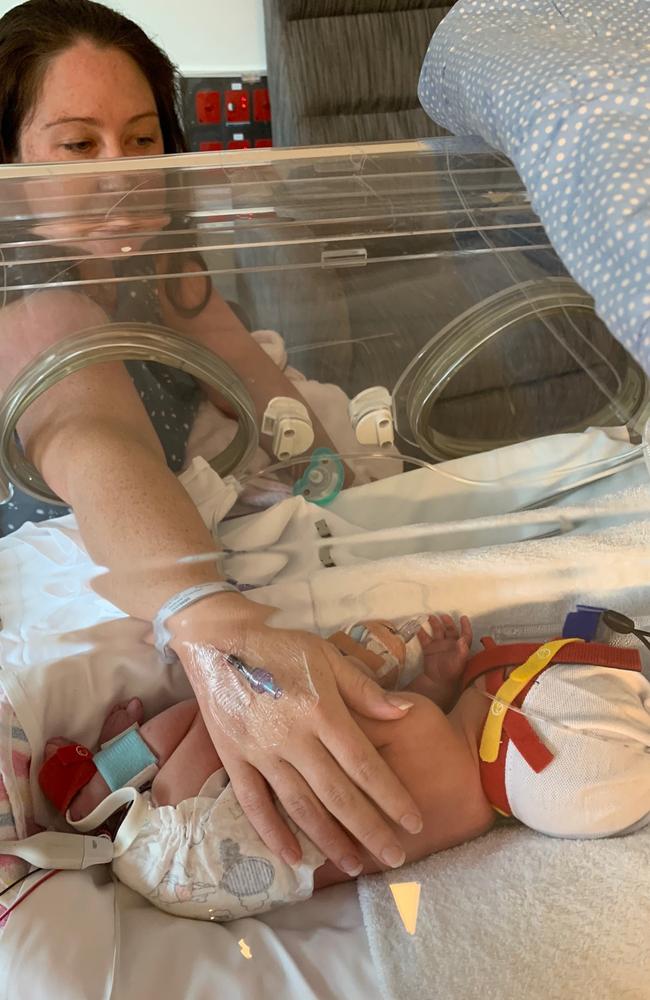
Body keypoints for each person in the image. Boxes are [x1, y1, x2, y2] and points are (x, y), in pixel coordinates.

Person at [0, 0, 425, 883]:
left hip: (175, 534)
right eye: (78, 145)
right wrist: (214, 625)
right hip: (95, 565)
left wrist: (335, 486)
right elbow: (95, 441)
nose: (123, 173)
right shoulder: (35, 311)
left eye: (143, 139)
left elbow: (257, 385)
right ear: (10, 162)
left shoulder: (156, 264)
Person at [39, 612, 650, 922]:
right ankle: (118, 804)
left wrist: (355, 655)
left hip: (191, 834)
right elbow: (411, 763)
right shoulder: (475, 818)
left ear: (497, 695)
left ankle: (98, 780)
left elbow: (303, 708)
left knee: (220, 705)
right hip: (218, 893)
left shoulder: (414, 720)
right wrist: (437, 680)